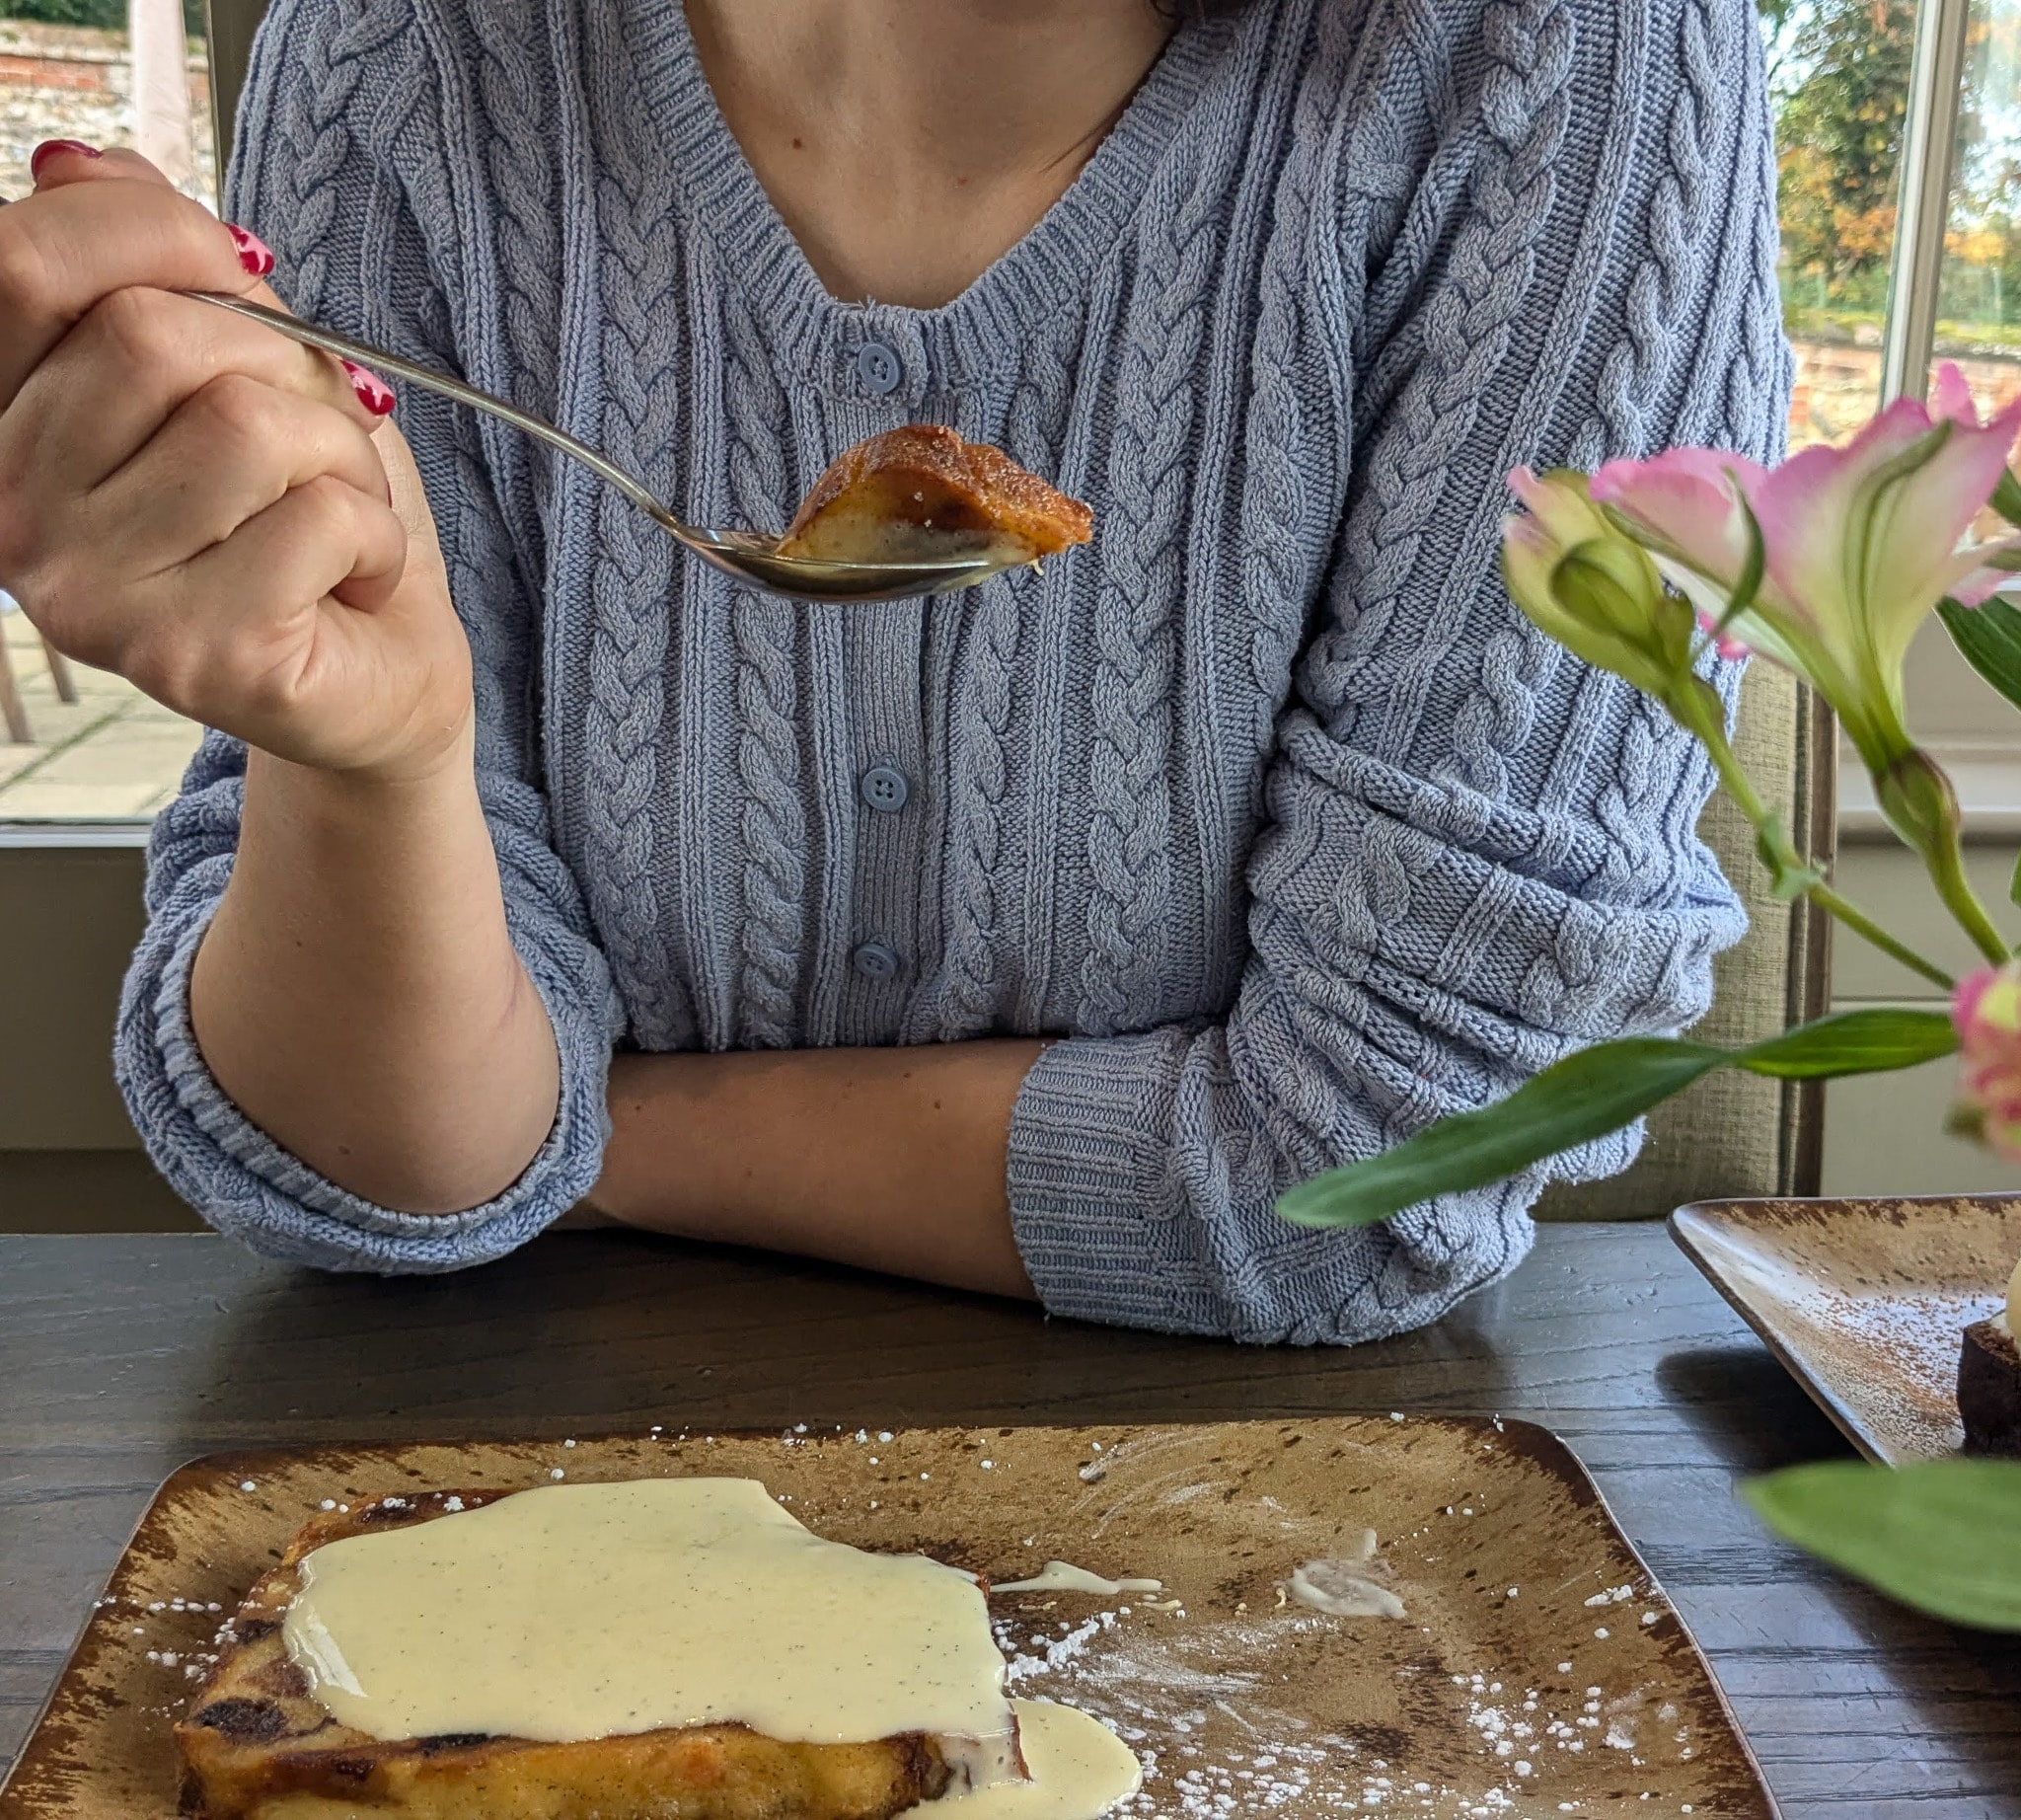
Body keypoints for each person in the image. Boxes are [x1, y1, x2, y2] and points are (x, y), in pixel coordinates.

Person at [0, 0, 1787, 1343]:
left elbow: (1378, 1168)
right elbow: (366, 1162)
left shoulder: (1580, 66)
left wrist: (575, 1140)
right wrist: (376, 757)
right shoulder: (409, 51)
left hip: (1286, 1524)